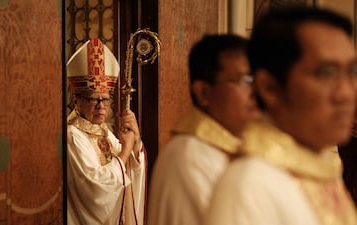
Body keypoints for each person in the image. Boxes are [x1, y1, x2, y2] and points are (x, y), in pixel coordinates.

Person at [205, 6, 357, 225]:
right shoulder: (251, 185)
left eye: (351, 72)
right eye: (326, 73)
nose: (345, 92)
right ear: (269, 87)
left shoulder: (321, 166)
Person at [147, 34, 260, 225]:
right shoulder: (192, 157)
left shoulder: (219, 149)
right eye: (244, 80)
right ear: (203, 93)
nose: (255, 93)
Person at [66, 38, 146, 225]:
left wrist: (134, 139)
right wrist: (126, 150)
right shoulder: (73, 136)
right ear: (76, 100)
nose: (101, 107)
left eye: (106, 99)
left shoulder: (103, 131)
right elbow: (96, 188)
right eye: (94, 99)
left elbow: (129, 165)